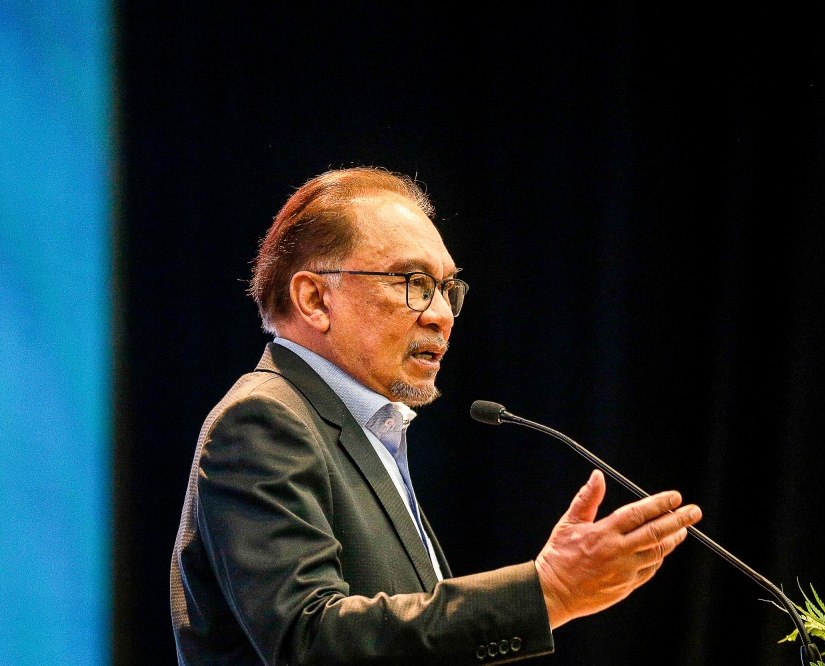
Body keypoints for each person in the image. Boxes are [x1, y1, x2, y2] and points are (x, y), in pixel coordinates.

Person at [170, 167, 702, 665]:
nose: (442, 314)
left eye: (447, 288)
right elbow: (310, 641)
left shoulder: (362, 429)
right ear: (315, 299)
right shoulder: (265, 420)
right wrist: (548, 592)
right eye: (411, 282)